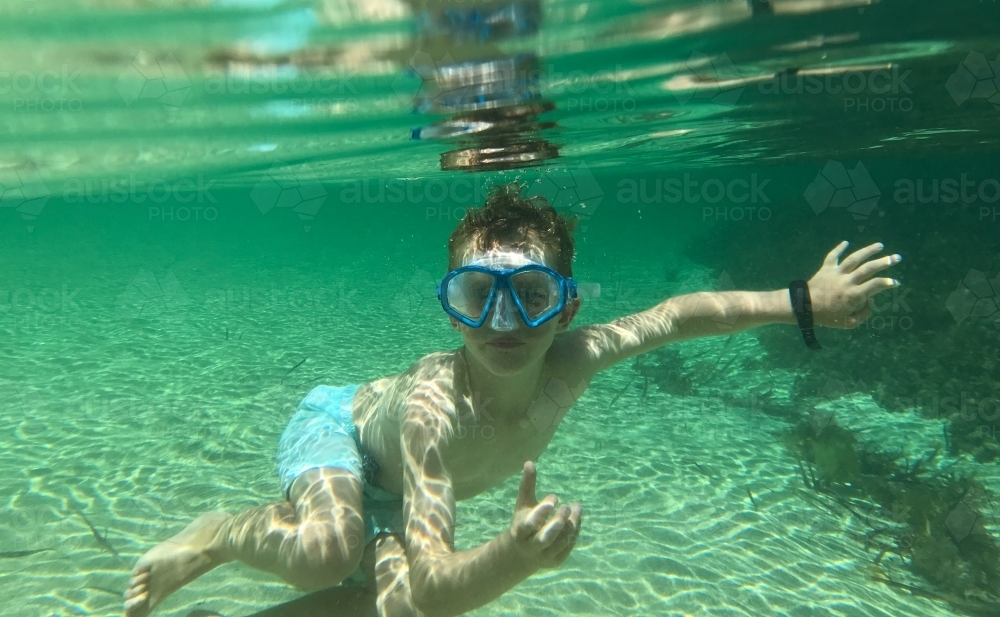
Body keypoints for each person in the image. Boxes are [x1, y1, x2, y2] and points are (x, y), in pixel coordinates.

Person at [124, 182, 902, 617]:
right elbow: (442, 586)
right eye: (476, 295)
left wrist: (800, 298)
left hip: (395, 490)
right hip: (339, 434)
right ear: (450, 306)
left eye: (529, 294)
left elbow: (678, 316)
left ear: (566, 307)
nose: (503, 322)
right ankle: (220, 534)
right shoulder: (432, 414)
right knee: (330, 553)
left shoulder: (577, 356)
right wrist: (515, 557)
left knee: (391, 612)